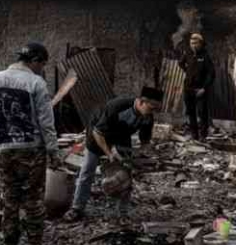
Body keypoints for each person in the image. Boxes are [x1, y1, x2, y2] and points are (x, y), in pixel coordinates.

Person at [0, 42, 59, 245]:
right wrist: (53, 151)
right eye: (42, 64)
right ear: (35, 61)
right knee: (33, 200)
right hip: (31, 150)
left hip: (5, 149)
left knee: (10, 198)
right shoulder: (36, 82)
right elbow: (46, 121)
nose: (42, 69)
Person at [63, 87, 164, 222]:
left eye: (156, 110)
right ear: (141, 102)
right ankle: (77, 208)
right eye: (152, 108)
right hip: (98, 135)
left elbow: (145, 142)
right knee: (87, 171)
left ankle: (122, 213)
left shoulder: (147, 117)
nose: (152, 113)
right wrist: (109, 154)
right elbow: (97, 133)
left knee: (126, 173)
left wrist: (145, 158)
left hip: (122, 137)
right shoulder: (117, 106)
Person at [179, 33, 215, 140]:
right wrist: (187, 71)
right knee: (191, 113)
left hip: (200, 90)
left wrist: (204, 88)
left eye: (195, 43)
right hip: (188, 89)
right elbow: (180, 63)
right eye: (191, 43)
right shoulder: (187, 54)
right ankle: (194, 135)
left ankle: (203, 135)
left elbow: (212, 74)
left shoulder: (205, 56)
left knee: (202, 113)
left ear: (200, 44)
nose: (193, 45)